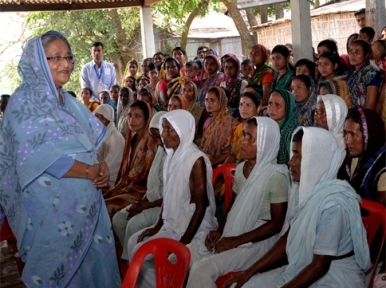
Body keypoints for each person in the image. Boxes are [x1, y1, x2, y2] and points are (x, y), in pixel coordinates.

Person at [0, 30, 120, 287]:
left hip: (89, 207)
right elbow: (39, 156)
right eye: (54, 58)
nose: (65, 64)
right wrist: (89, 172)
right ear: (37, 62)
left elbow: (89, 146)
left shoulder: (70, 102)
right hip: (51, 214)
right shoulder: (24, 102)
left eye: (68, 57)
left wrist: (101, 167)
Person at [225, 127, 371, 288]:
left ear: (317, 162)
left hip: (334, 277)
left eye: (299, 156)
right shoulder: (304, 192)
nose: (290, 161)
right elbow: (287, 238)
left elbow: (320, 266)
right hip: (304, 265)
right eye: (293, 153)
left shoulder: (332, 205)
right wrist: (249, 272)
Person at [186, 117, 289, 288]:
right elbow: (232, 208)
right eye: (244, 135)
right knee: (186, 254)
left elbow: (276, 224)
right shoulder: (241, 169)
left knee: (201, 268)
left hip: (259, 240)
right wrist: (220, 230)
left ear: (265, 144)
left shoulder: (276, 176)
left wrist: (237, 240)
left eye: (251, 138)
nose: (243, 142)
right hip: (236, 229)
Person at [126, 110, 218, 287]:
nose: (164, 134)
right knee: (133, 242)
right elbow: (169, 197)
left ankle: (163, 283)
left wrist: (183, 243)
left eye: (170, 129)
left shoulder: (196, 160)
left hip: (190, 226)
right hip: (173, 222)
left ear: (183, 131)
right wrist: (157, 226)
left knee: (143, 254)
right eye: (164, 128)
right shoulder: (172, 156)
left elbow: (201, 206)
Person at [112, 111, 166, 261]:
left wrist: (145, 205)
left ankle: (132, 264)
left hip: (163, 206)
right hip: (149, 199)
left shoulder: (173, 154)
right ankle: (130, 257)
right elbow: (153, 184)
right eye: (154, 137)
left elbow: (170, 196)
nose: (157, 141)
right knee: (118, 220)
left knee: (133, 225)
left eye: (159, 137)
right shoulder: (160, 149)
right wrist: (141, 201)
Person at [104, 101, 158, 217]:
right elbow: (126, 172)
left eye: (137, 116)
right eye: (129, 115)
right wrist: (117, 188)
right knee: (102, 196)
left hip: (142, 191)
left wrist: (122, 190)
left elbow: (143, 177)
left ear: (146, 118)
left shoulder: (150, 142)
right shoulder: (133, 137)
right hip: (129, 186)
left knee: (107, 206)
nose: (132, 120)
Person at [338, 108, 386, 206]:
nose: (347, 141)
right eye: (346, 133)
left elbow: (377, 213)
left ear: (370, 134)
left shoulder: (382, 165)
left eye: (353, 134)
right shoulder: (351, 157)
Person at [200, 87, 238, 167]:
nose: (208, 103)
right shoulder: (208, 121)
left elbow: (228, 152)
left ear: (221, 101)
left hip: (218, 166)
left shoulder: (229, 123)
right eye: (206, 100)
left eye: (212, 100)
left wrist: (210, 164)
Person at [224, 91, 261, 164]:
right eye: (241, 104)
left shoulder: (260, 128)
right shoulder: (239, 128)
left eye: (248, 105)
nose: (243, 108)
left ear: (257, 108)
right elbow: (233, 154)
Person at [93, 104, 125, 188]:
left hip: (110, 181)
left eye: (102, 118)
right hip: (97, 173)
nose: (98, 120)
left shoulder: (116, 137)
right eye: (96, 117)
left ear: (109, 120)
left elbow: (112, 164)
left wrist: (96, 173)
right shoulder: (99, 135)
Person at [267, 89, 300, 165]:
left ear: (288, 107)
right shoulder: (266, 126)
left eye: (277, 105)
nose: (272, 108)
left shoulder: (294, 131)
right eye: (270, 103)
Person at [347, 39, 382, 110]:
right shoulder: (352, 75)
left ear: (366, 55)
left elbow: (370, 106)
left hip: (364, 117)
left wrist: (360, 119)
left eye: (357, 51)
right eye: (350, 51)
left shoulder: (372, 75)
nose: (353, 55)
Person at [314, 95, 348, 163]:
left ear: (336, 117)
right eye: (316, 112)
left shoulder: (343, 147)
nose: (316, 117)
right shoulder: (316, 139)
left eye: (323, 112)